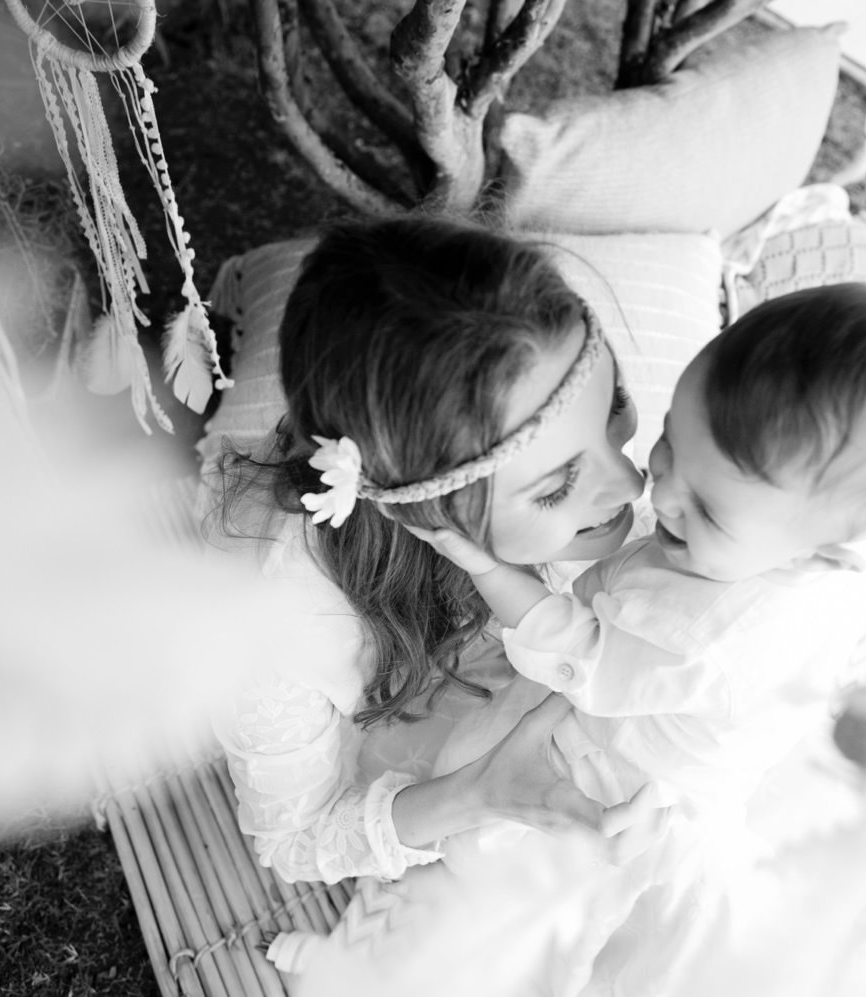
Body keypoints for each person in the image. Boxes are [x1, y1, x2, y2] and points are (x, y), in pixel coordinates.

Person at [369, 283, 866, 993]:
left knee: (554, 929)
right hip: (646, 733)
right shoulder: (779, 536)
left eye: (708, 511)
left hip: (620, 796)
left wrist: (484, 565)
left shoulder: (716, 637)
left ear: (832, 542)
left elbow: (576, 652)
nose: (660, 493)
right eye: (669, 444)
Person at [206, 215, 665, 989]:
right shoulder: (281, 622)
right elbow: (293, 841)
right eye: (555, 485)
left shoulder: (605, 478)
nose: (631, 482)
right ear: (426, 513)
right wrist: (483, 792)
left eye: (614, 406)